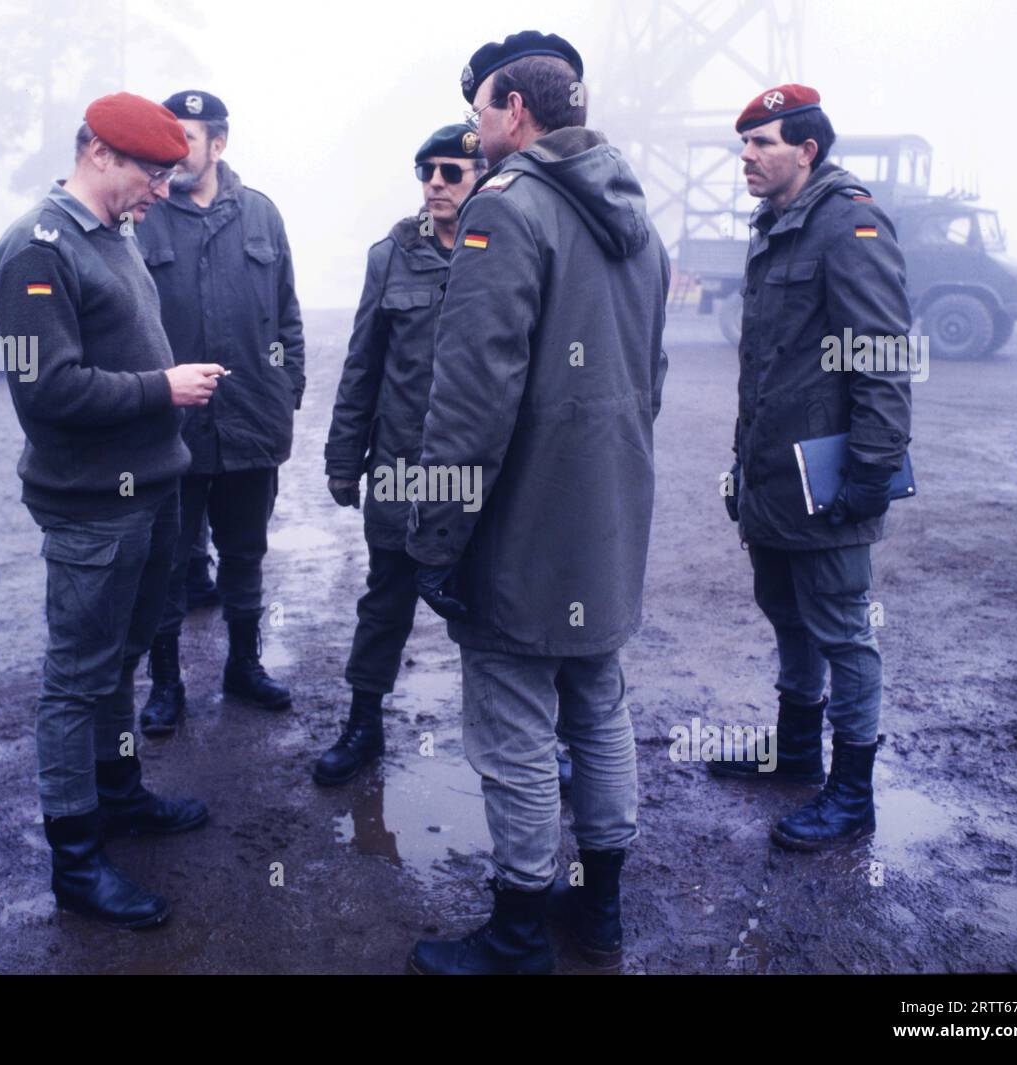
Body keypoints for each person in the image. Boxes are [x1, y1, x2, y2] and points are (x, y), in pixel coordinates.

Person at [404, 31, 670, 975]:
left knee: (515, 724)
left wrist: (436, 535)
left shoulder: (505, 210)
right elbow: (650, 379)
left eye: (478, 111)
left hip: (520, 524)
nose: (472, 129)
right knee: (597, 703)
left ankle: (518, 931)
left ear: (514, 111)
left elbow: (470, 399)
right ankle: (600, 909)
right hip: (607, 517)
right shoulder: (637, 217)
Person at [0, 92, 224, 928]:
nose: (163, 189)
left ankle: (118, 791)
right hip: (92, 507)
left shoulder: (113, 234)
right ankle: (76, 860)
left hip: (151, 489)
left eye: (169, 174)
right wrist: (164, 387)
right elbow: (47, 392)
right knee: (76, 679)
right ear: (97, 152)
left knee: (120, 658)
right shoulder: (36, 250)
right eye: (151, 172)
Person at [708, 85, 913, 853]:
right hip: (774, 476)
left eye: (761, 143)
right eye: (744, 144)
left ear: (807, 150)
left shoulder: (848, 222)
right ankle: (795, 749)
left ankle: (853, 793)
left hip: (829, 480)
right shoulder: (775, 225)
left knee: (844, 633)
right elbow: (765, 365)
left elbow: (881, 355)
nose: (746, 157)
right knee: (787, 613)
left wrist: (872, 469)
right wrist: (742, 462)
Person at [313, 122, 484, 786]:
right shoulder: (391, 255)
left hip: (482, 468)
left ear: (481, 178)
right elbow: (362, 365)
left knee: (498, 602)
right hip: (401, 464)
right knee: (386, 597)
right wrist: (342, 458)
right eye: (426, 172)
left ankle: (527, 736)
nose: (435, 184)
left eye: (451, 172)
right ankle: (363, 724)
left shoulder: (507, 249)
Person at [134, 89, 306, 734]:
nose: (172, 151)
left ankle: (244, 666)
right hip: (170, 429)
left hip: (250, 423)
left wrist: (286, 389)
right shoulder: (144, 215)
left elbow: (287, 314)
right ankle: (166, 684)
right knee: (166, 561)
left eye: (185, 137)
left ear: (218, 143)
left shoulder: (261, 215)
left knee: (244, 554)